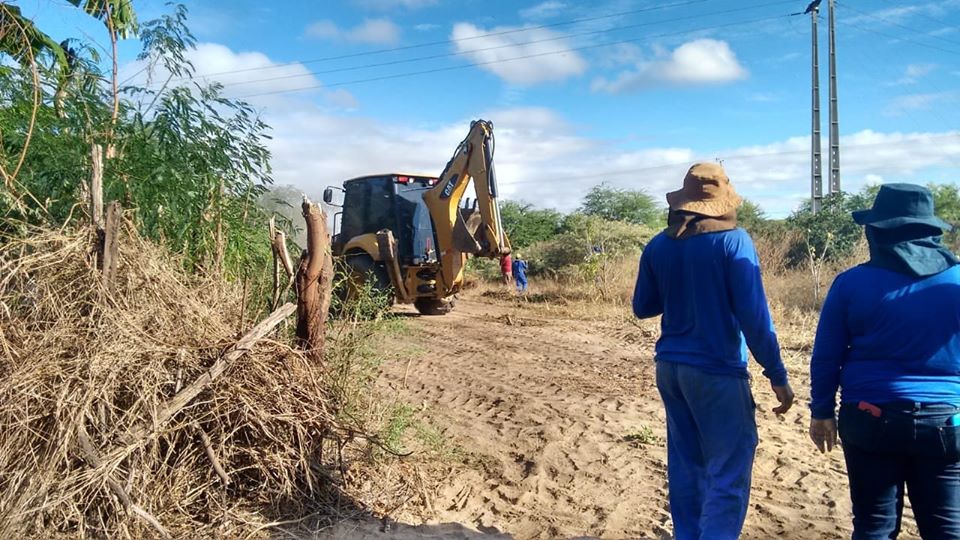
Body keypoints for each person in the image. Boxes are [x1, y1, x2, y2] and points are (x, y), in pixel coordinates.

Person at [632, 162, 794, 540]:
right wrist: (777, 375)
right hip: (717, 371)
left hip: (670, 368)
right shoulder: (734, 241)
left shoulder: (659, 244)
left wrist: (679, 281)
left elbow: (642, 307)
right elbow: (754, 318)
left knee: (687, 466)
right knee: (728, 470)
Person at [809, 183, 960, 539]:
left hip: (868, 416)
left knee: (873, 526)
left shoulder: (850, 284)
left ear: (876, 231)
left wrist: (821, 412)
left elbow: (827, 356)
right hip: (946, 420)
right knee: (946, 529)